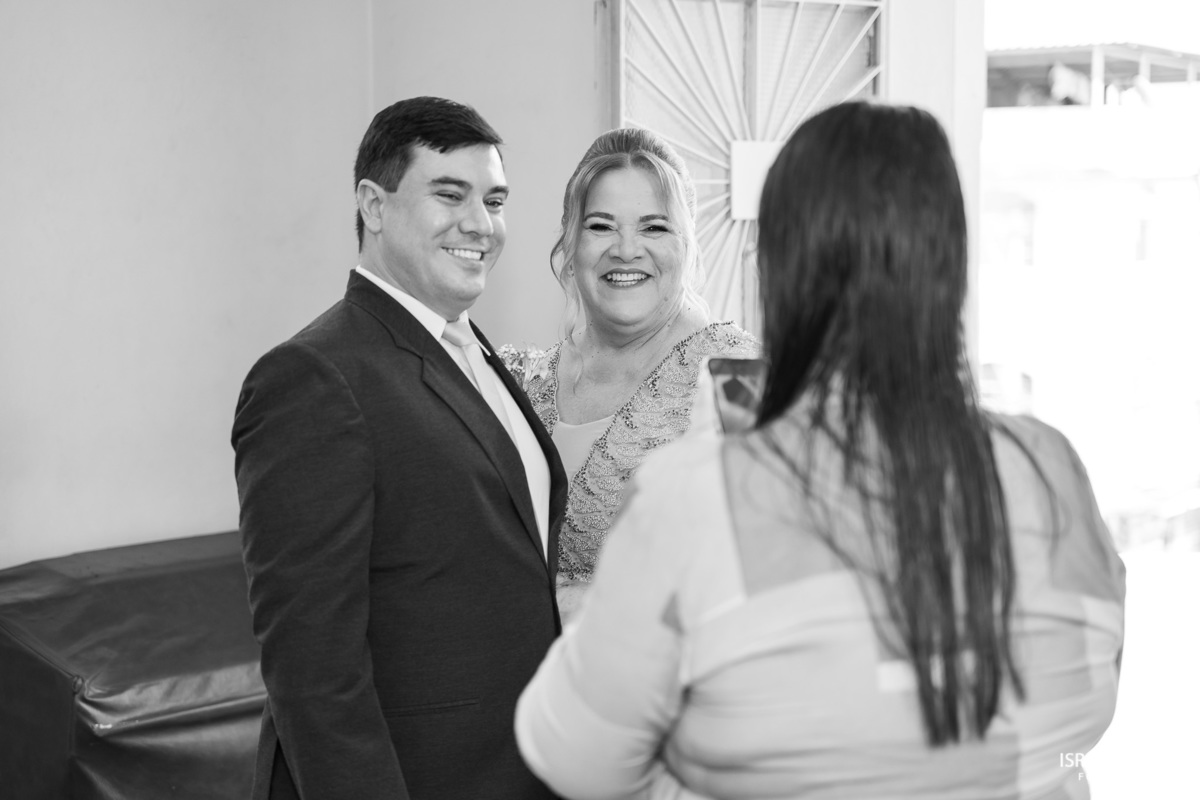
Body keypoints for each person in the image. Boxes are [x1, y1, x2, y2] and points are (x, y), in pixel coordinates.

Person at [515, 102, 1126, 799]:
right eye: (602, 225)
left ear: (774, 270)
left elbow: (573, 755)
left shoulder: (700, 488)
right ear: (953, 263)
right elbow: (1084, 707)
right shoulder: (1049, 466)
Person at [232, 96, 567, 800]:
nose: (480, 224)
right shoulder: (314, 376)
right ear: (373, 206)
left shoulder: (472, 350)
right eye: (450, 194)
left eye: (495, 200)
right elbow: (312, 671)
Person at [500, 128, 758, 618]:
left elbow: (771, 580)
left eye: (654, 227)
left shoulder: (740, 379)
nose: (625, 249)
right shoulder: (519, 382)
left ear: (686, 243)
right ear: (571, 242)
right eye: (600, 226)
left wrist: (586, 605)